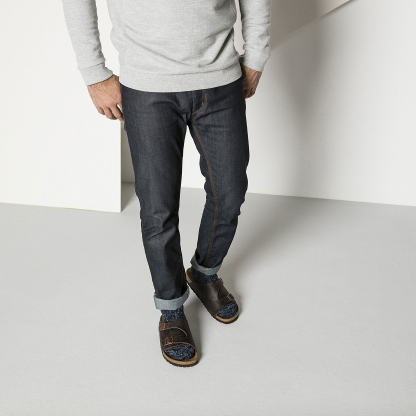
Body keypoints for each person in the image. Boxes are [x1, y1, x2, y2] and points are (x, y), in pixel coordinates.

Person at [61, 0, 271, 367]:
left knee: (230, 191)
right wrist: (94, 72)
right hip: (147, 85)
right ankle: (171, 307)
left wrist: (256, 54)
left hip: (221, 79)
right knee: (158, 208)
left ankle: (204, 273)